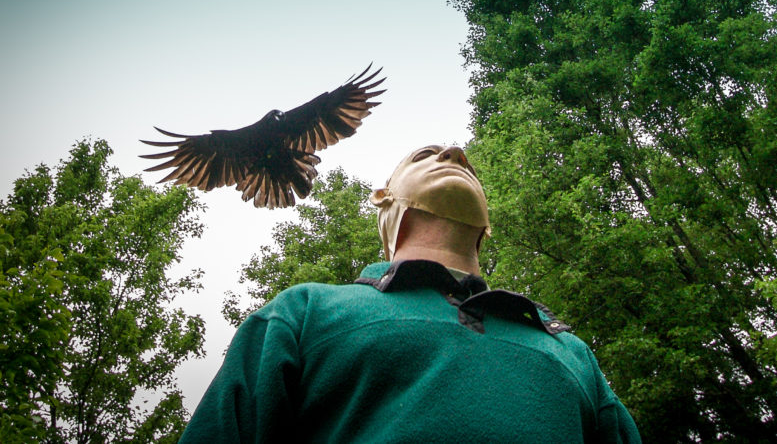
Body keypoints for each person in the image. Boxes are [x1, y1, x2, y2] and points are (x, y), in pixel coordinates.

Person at [179, 144, 641, 443]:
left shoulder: (570, 352)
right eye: (426, 155)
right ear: (385, 202)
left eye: (467, 164)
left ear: (486, 227)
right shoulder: (304, 314)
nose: (458, 153)